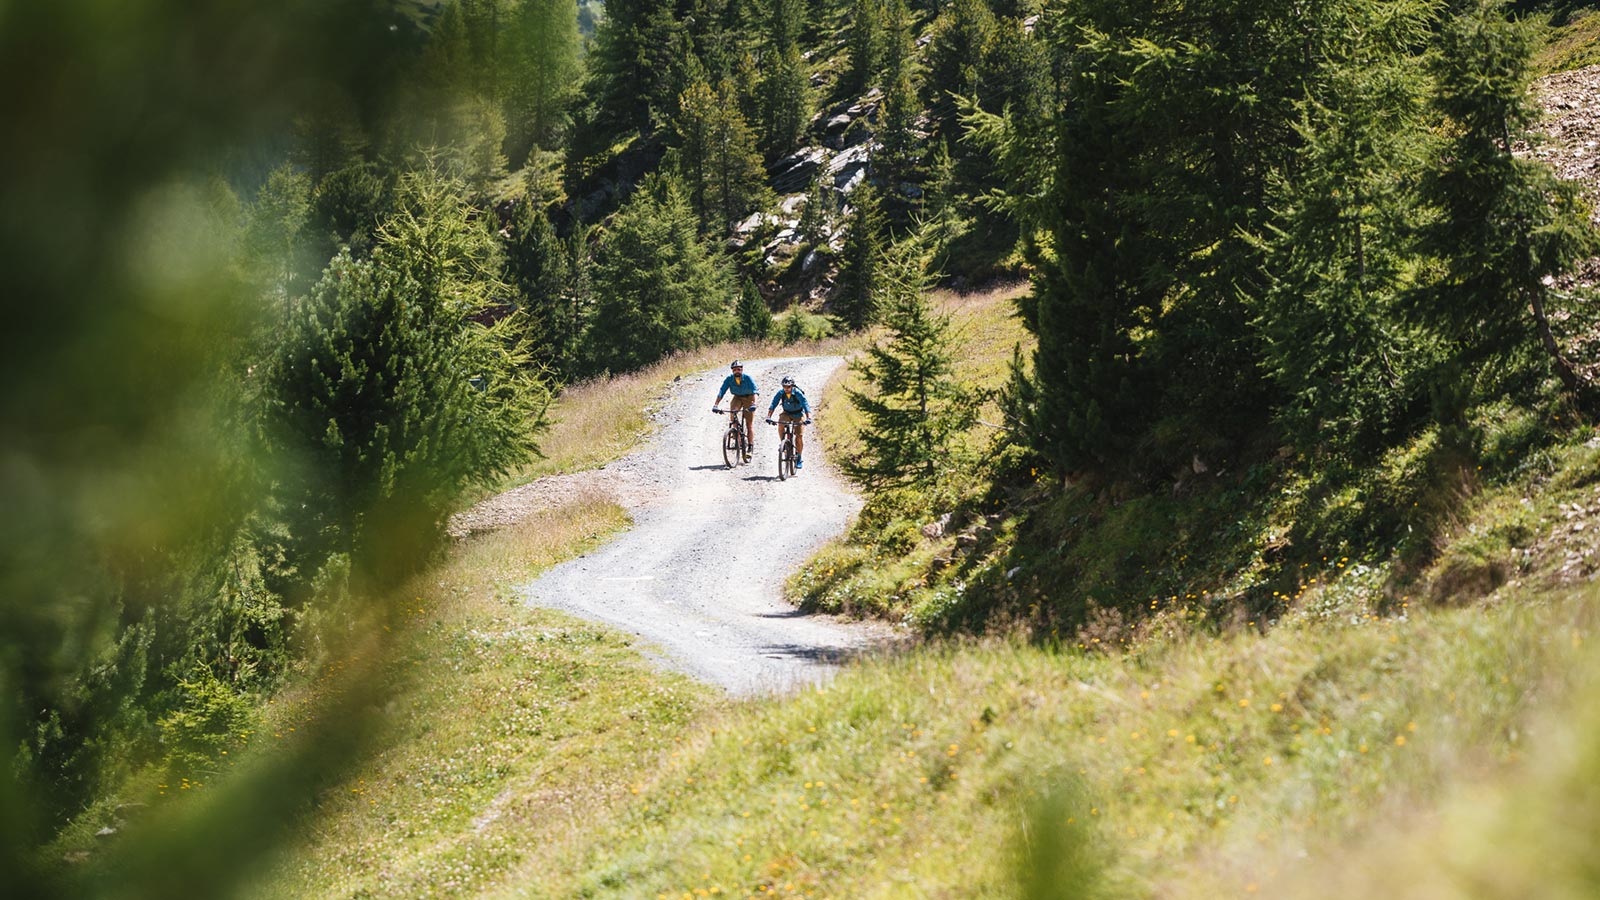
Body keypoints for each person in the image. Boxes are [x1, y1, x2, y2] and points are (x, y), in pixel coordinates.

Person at [712, 360, 759, 460]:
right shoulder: (729, 379)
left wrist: (754, 404)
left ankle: (750, 446)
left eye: (739, 369)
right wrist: (716, 404)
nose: (737, 371)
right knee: (733, 414)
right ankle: (736, 435)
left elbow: (755, 391)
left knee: (749, 424)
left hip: (749, 397)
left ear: (742, 369)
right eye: (735, 370)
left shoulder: (747, 378)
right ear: (732, 371)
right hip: (737, 397)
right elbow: (722, 391)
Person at [765, 375, 813, 469]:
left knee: (799, 436)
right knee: (780, 424)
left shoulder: (798, 393)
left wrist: (808, 418)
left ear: (792, 386)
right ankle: (783, 443)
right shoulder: (781, 393)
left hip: (798, 414)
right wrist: (769, 416)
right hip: (786, 413)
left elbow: (805, 404)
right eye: (784, 387)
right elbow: (773, 404)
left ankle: (799, 457)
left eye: (788, 387)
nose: (786, 389)